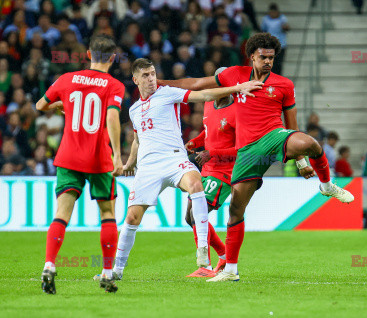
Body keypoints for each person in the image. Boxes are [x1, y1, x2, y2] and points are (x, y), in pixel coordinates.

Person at [158, 33, 354, 282]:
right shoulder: (233, 75)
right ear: (252, 56)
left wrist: (302, 161)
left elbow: (292, 125)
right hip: (248, 151)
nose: (268, 61)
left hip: (273, 136)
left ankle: (326, 186)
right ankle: (230, 270)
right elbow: (196, 83)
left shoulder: (284, 85)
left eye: (272, 57)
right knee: (235, 211)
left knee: (311, 144)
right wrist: (160, 82)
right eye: (263, 57)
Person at [107, 58, 262, 281]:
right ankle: (117, 271)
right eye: (146, 76)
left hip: (174, 159)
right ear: (136, 80)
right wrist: (129, 163)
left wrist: (239, 87)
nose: (151, 79)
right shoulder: (134, 110)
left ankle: (203, 255)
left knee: (195, 183)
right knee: (131, 218)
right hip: (148, 167)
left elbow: (203, 94)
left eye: (153, 74)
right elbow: (137, 139)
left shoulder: (168, 93)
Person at [35, 35, 125, 294]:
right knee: (107, 214)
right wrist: (117, 155)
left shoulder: (66, 79)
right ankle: (107, 273)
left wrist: (66, 104)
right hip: (98, 158)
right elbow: (111, 118)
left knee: (61, 214)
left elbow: (41, 104)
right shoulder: (114, 85)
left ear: (88, 54)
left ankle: (50, 265)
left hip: (69, 157)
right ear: (112, 58)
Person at [184, 67, 236, 277]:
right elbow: (210, 131)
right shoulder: (208, 104)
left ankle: (205, 267)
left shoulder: (238, 111)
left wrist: (211, 153)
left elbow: (242, 150)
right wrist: (196, 142)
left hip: (224, 172)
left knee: (197, 213)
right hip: (207, 169)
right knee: (190, 217)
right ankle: (223, 255)